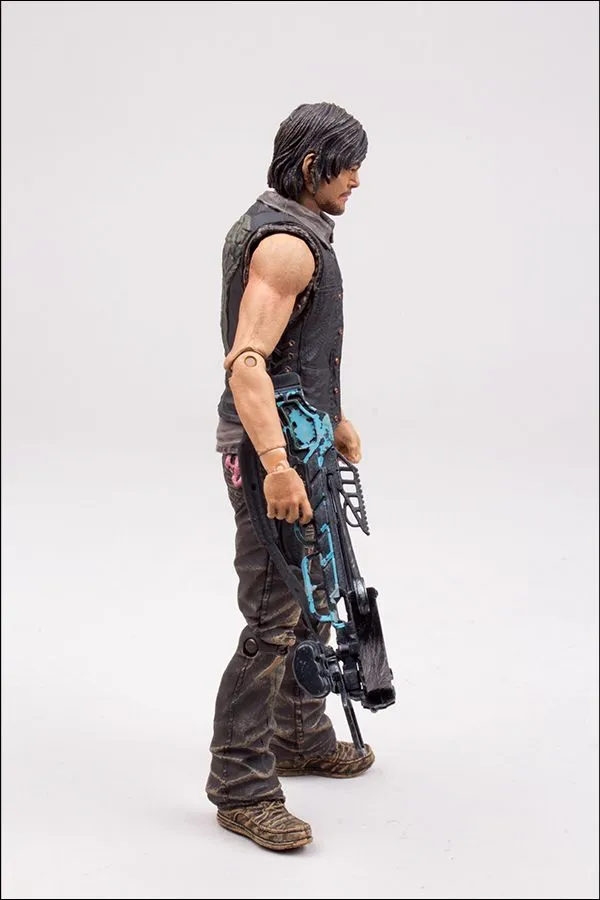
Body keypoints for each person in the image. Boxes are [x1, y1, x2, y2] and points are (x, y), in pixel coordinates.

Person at [206, 102, 374, 851]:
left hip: (300, 443)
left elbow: (289, 357)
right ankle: (241, 785)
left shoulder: (290, 230)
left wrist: (330, 419)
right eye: (348, 168)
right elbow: (247, 363)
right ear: (311, 166)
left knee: (313, 597)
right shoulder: (286, 247)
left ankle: (299, 738)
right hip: (271, 453)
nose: (356, 182)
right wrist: (275, 465)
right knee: (274, 618)